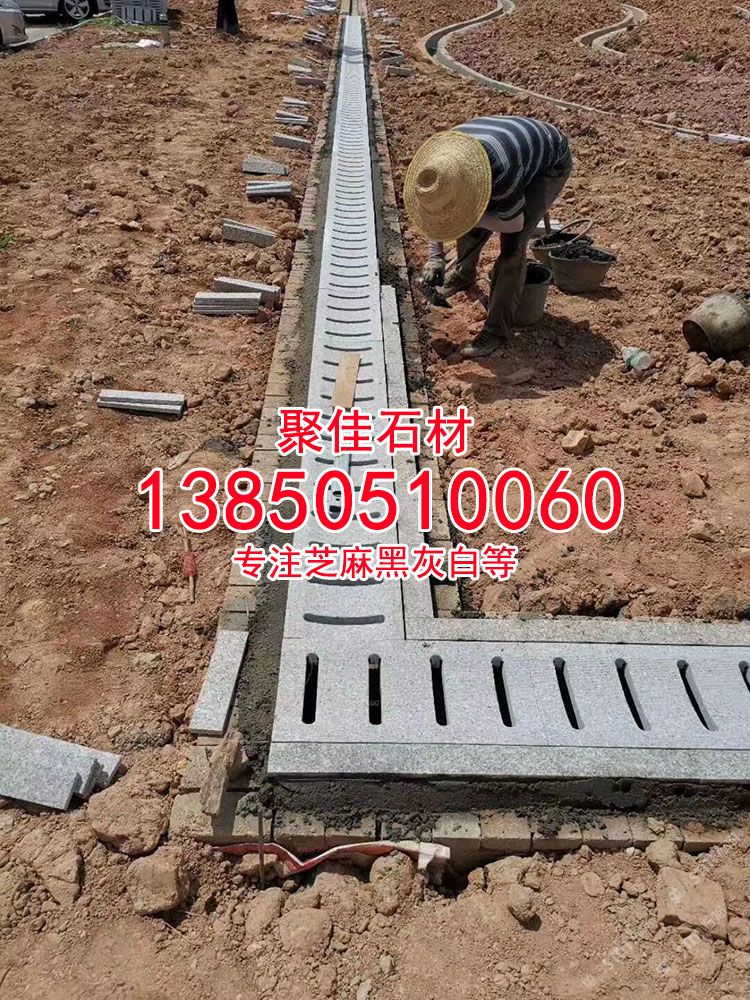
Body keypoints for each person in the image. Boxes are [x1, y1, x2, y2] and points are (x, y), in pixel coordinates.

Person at [403, 116, 573, 358]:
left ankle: (495, 332)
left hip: (549, 163)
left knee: (513, 248)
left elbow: (513, 224)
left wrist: (466, 216)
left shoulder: (501, 173)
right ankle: (464, 273)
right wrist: (435, 255)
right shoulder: (437, 164)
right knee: (465, 218)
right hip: (507, 146)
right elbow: (436, 213)